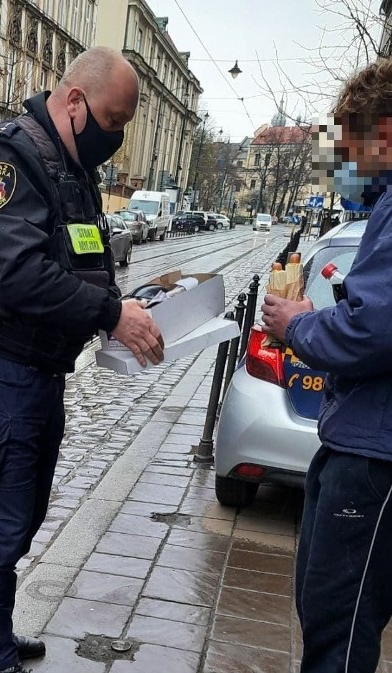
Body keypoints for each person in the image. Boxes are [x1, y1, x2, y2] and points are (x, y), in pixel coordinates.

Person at [0, 47, 164, 673]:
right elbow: (19, 274)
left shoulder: (73, 172)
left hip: (40, 378)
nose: (114, 139)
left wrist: (128, 305)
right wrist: (108, 316)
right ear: (74, 101)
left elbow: (87, 263)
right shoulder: (5, 160)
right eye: (112, 122)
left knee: (23, 516)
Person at [261, 57, 392, 673]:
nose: (344, 164)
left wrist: (296, 325)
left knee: (338, 632)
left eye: (349, 146)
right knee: (326, 614)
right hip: (360, 441)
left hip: (374, 456)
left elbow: (373, 330)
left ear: (382, 136)